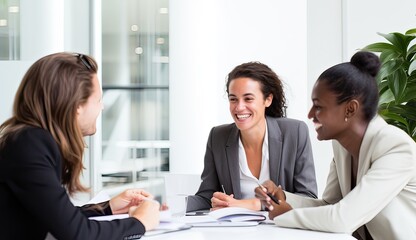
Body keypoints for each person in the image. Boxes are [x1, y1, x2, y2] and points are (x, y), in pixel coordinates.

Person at [255, 51, 416, 240]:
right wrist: (285, 198)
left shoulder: (397, 148)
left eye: (318, 106)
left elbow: (342, 219)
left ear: (350, 109)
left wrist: (285, 215)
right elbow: (331, 205)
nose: (310, 114)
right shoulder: (343, 147)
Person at [0, 52, 161, 240]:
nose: (102, 107)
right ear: (77, 105)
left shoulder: (27, 140)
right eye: (98, 100)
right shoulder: (30, 145)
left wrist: (108, 207)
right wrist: (140, 222)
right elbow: (77, 234)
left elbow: (59, 219)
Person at [187, 62, 318, 212]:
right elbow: (206, 197)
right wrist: (166, 204)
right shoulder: (218, 136)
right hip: (235, 230)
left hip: (281, 230)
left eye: (248, 99)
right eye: (233, 99)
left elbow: (308, 198)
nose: (239, 107)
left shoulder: (295, 132)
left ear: (267, 99)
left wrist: (253, 204)